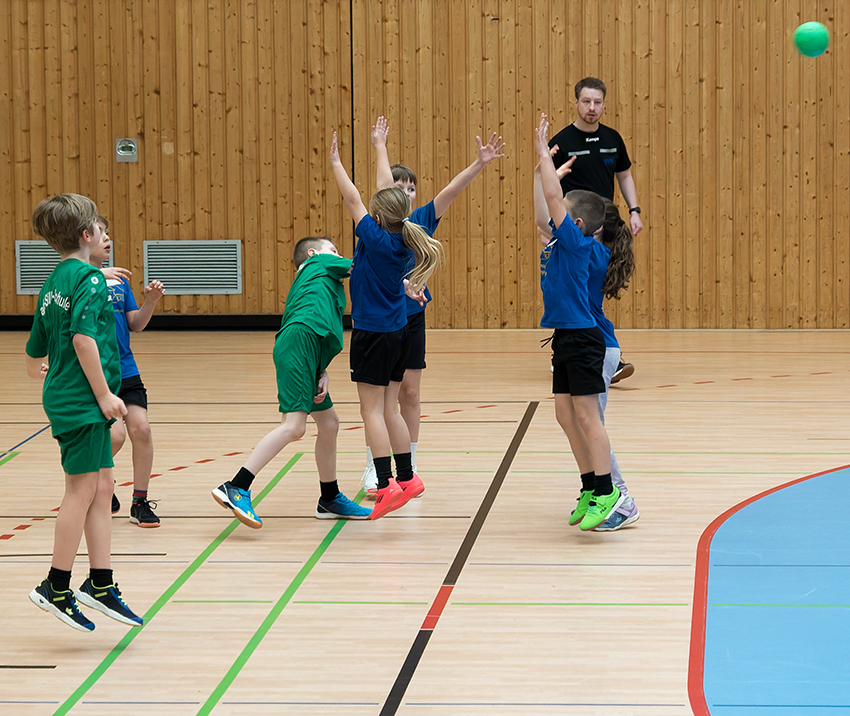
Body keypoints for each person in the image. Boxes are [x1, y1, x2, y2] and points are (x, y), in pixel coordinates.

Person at [359, 116, 505, 493]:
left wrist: (479, 164)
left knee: (409, 393)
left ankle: (408, 463)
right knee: (381, 399)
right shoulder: (378, 228)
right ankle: (376, 466)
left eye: (412, 188)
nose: (407, 192)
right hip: (381, 323)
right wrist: (380, 146)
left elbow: (452, 190)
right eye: (400, 187)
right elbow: (381, 184)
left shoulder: (422, 219)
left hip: (410, 320)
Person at [25, 193, 144, 632]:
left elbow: (35, 349)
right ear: (86, 234)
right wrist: (105, 395)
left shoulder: (55, 279)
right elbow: (82, 340)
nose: (103, 232)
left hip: (68, 395)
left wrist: (43, 370)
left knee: (103, 485)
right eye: (99, 225)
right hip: (82, 401)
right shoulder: (91, 280)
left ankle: (100, 582)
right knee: (80, 490)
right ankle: (56, 585)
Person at [211, 236, 372, 527]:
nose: (337, 255)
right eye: (333, 250)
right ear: (312, 254)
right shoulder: (319, 264)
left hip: (307, 350)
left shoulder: (317, 283)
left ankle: (329, 498)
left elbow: (318, 328)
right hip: (299, 344)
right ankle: (236, 486)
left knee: (329, 423)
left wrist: (321, 371)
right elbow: (362, 264)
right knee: (294, 426)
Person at [329, 130, 441, 521]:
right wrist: (379, 148)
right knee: (390, 409)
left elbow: (352, 197)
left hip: (373, 334)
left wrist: (336, 163)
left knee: (372, 412)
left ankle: (385, 482)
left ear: (377, 217)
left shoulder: (375, 239)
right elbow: (375, 195)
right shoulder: (405, 240)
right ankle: (408, 477)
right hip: (397, 334)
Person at [533, 114, 625, 531]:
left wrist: (544, 154)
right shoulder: (563, 242)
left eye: (564, 216)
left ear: (579, 225)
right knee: (565, 415)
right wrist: (542, 174)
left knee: (588, 417)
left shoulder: (579, 244)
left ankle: (608, 491)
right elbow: (545, 208)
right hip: (565, 338)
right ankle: (590, 485)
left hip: (586, 339)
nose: (557, 219)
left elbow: (555, 200)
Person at [548, 76, 642, 384]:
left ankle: (592, 352)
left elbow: (624, 176)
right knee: (571, 288)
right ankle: (573, 352)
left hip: (603, 229)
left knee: (591, 294)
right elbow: (549, 186)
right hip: (573, 230)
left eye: (597, 102)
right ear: (575, 102)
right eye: (586, 101)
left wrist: (634, 210)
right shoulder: (562, 141)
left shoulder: (612, 138)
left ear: (604, 104)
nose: (592, 107)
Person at [91, 216, 164, 528]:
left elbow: (135, 323)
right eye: (101, 233)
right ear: (83, 239)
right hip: (96, 373)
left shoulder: (119, 282)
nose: (108, 238)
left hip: (126, 368)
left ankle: (140, 501)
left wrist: (150, 302)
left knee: (141, 430)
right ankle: (102, 485)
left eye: (109, 233)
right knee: (115, 435)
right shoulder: (76, 281)